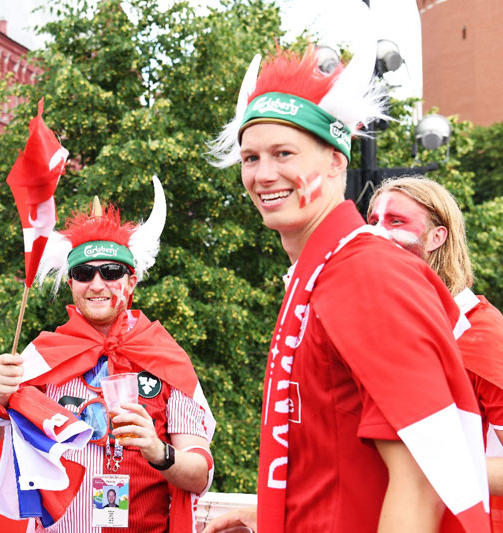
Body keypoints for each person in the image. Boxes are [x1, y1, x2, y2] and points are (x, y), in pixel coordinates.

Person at [205, 37, 489, 533]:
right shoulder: (323, 273)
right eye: (250, 158)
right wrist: (272, 514)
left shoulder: (366, 274)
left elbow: (422, 478)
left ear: (336, 161)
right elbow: (337, 456)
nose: (263, 175)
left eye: (284, 153)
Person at [0, 177, 216, 533]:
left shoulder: (165, 358)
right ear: (71, 283)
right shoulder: (42, 355)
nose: (97, 284)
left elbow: (199, 475)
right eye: (84, 273)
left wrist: (157, 449)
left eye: (111, 271)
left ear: (131, 281)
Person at [367, 176, 503, 524]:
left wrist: (418, 475)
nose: (378, 233)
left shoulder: (480, 333)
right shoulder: (377, 331)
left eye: (396, 221)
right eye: (373, 221)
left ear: (436, 237)